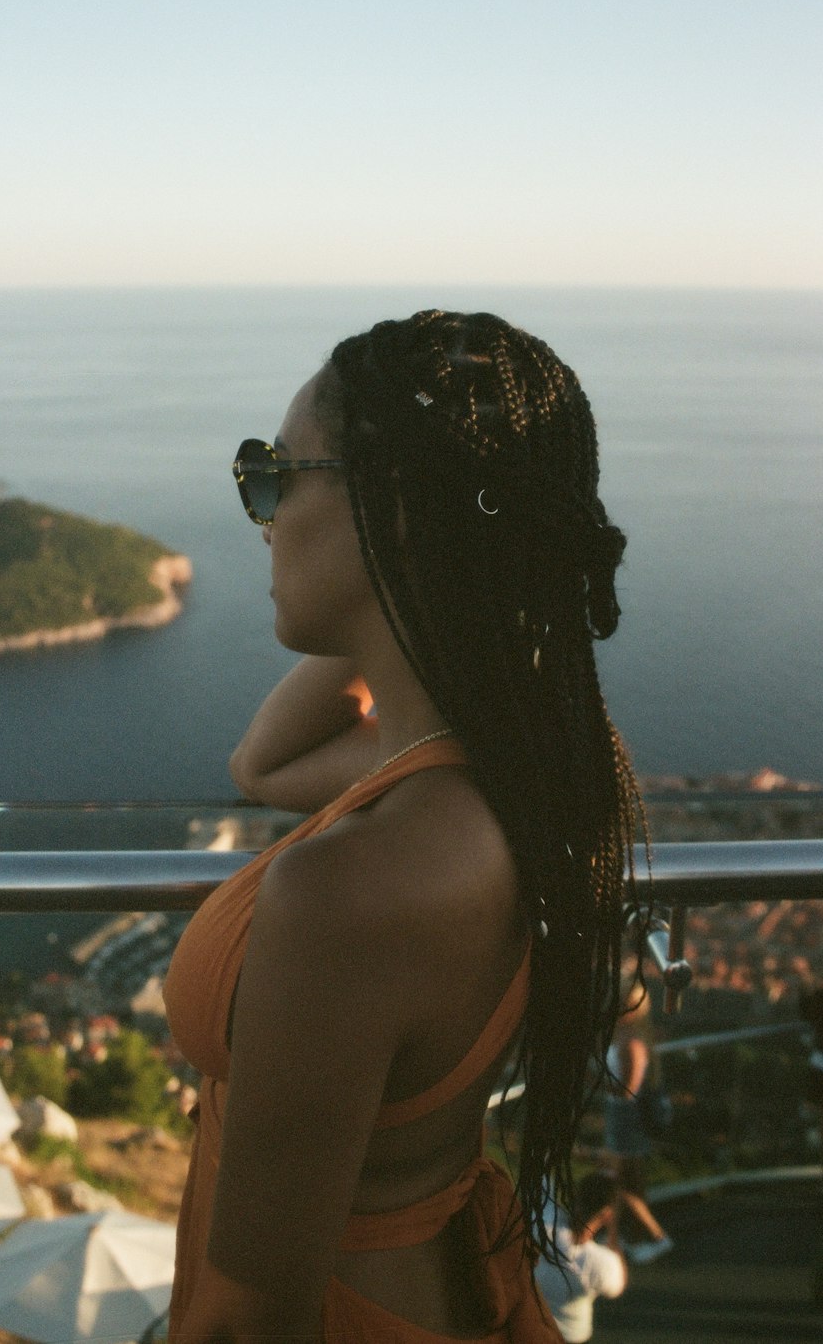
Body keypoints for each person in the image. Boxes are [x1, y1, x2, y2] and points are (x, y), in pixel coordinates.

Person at [163, 310, 650, 1340]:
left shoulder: (356, 884)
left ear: (390, 508)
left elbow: (252, 1319)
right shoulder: (518, 768)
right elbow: (266, 766)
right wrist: (419, 576)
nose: (259, 513)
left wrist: (403, 561)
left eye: (272, 474)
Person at [603, 985, 673, 1262]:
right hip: (621, 1118)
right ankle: (629, 1238)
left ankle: (654, 1237)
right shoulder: (628, 1034)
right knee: (628, 1183)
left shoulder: (632, 1041)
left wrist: (596, 1084)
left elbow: (628, 1090)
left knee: (619, 1184)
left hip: (625, 1119)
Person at [534, 1173, 627, 1342]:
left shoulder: (542, 1222)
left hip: (528, 1330)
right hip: (571, 1337)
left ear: (576, 1196)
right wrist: (613, 1229)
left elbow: (541, 1177)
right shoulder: (604, 1263)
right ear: (607, 1215)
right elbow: (616, 1288)